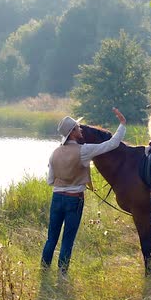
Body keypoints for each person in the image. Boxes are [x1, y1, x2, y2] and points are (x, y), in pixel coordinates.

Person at [42, 107, 126, 274]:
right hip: (74, 199)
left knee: (51, 238)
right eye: (77, 127)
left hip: (56, 198)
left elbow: (50, 180)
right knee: (68, 239)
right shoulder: (84, 150)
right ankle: (62, 274)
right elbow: (112, 144)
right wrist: (122, 124)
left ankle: (43, 271)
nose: (80, 129)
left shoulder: (54, 153)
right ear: (72, 133)